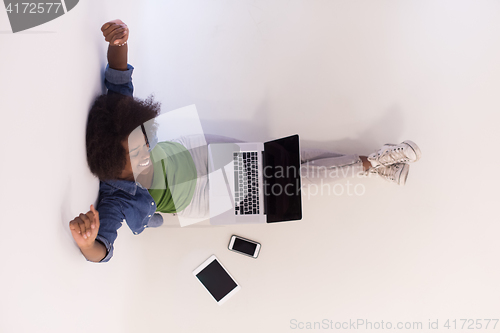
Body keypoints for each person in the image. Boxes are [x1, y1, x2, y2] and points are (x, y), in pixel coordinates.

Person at [69, 19, 422, 263]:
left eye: (142, 144)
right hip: (204, 196)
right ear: (115, 170)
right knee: (296, 184)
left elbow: (118, 84)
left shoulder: (118, 125)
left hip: (201, 151)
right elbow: (104, 247)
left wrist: (119, 43)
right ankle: (375, 162)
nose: (147, 152)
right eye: (137, 159)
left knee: (290, 160)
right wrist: (88, 246)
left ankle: (374, 166)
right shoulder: (114, 198)